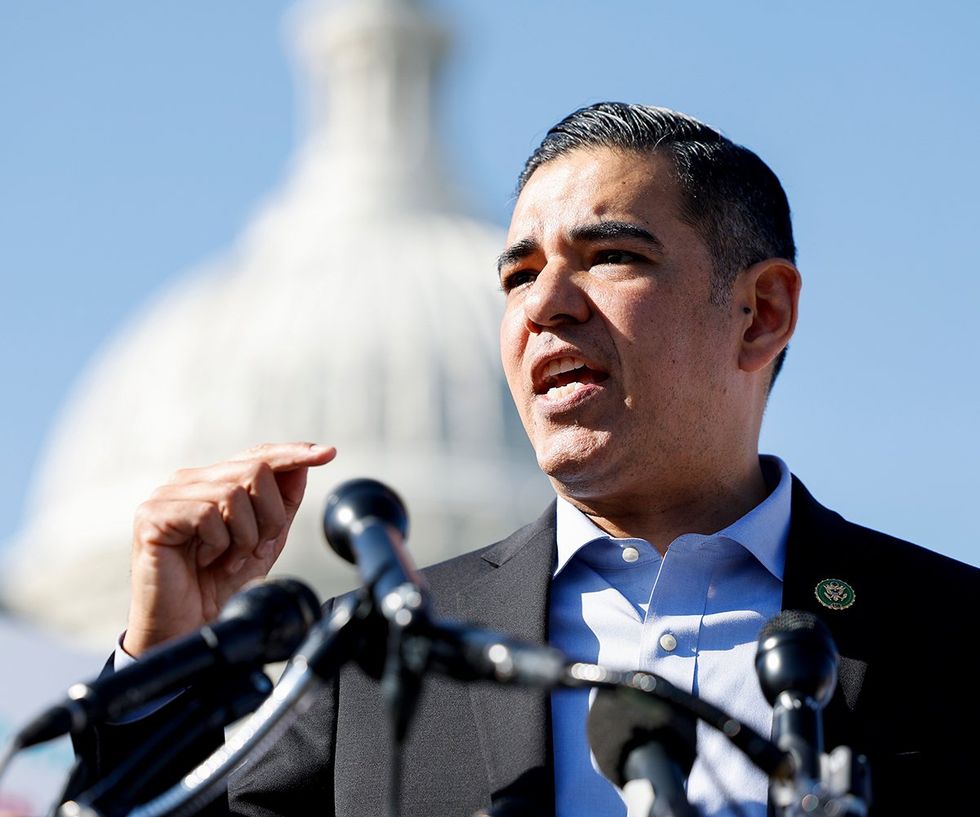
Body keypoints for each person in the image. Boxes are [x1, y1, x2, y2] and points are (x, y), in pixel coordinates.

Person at [75, 103, 979, 817]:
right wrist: (166, 660)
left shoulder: (951, 634)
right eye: (516, 274)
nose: (544, 302)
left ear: (762, 312)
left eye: (611, 255)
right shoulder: (375, 660)